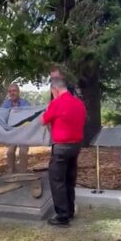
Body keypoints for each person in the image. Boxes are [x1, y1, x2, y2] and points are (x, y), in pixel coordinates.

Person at [41, 79, 86, 227]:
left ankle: (62, 216)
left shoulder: (56, 103)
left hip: (61, 147)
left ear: (55, 90)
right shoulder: (79, 103)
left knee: (57, 181)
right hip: (76, 146)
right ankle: (70, 210)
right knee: (69, 180)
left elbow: (44, 120)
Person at [2, 83, 30, 173]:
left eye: (14, 91)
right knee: (10, 152)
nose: (12, 93)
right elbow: (2, 116)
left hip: (23, 132)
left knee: (23, 152)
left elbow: (29, 117)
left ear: (18, 92)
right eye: (10, 91)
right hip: (12, 133)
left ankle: (23, 171)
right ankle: (11, 171)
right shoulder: (5, 105)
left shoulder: (25, 103)